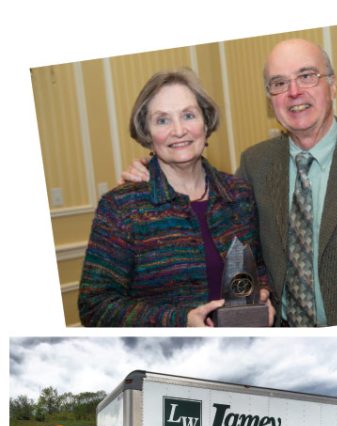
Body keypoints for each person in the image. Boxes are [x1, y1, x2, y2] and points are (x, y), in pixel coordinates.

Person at [124, 40, 337, 326]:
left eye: (307, 76)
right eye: (279, 83)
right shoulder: (255, 164)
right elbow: (213, 214)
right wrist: (152, 171)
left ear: (333, 85)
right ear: (271, 98)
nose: (294, 92)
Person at [79, 68, 274, 327]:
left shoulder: (239, 195)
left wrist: (263, 299)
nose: (179, 130)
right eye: (162, 120)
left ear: (206, 123)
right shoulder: (121, 207)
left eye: (188, 115)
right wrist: (179, 321)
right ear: (147, 133)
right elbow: (95, 307)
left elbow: (258, 269)